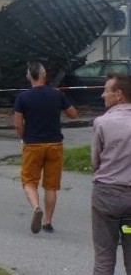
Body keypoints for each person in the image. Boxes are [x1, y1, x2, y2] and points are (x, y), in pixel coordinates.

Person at [13, 61, 78, 234]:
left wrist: (24, 137)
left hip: (33, 144)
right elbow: (73, 114)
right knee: (51, 186)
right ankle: (48, 222)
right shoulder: (57, 94)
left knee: (29, 181)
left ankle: (36, 208)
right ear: (44, 76)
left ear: (29, 77)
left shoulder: (23, 98)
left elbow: (18, 125)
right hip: (55, 144)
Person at [91, 73, 131, 275]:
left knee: (104, 258)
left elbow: (95, 162)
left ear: (119, 94)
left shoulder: (102, 123)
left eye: (107, 90)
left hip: (107, 197)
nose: (103, 95)